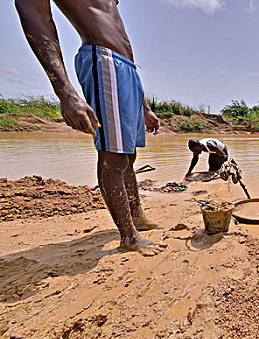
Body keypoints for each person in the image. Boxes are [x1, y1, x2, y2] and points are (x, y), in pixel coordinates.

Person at [15, 0, 163, 254]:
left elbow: (120, 37)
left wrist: (144, 105)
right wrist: (65, 92)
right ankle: (128, 236)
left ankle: (136, 216)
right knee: (113, 157)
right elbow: (32, 10)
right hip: (103, 59)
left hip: (126, 68)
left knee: (128, 154)